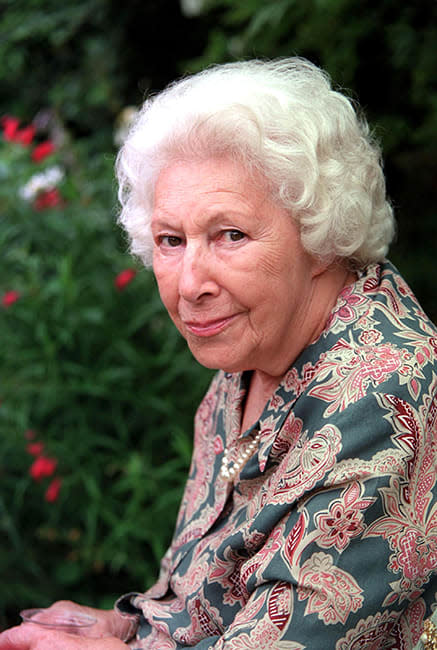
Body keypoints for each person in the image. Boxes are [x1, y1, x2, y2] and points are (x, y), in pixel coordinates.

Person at [1, 57, 436, 650]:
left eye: (230, 234)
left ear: (320, 236)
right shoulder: (254, 350)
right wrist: (132, 625)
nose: (189, 284)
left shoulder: (389, 398)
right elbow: (212, 593)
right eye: (170, 241)